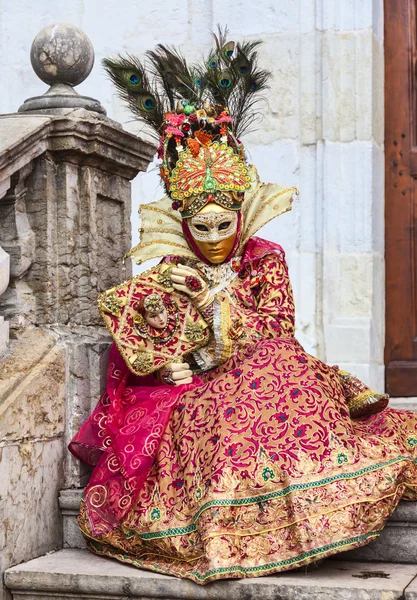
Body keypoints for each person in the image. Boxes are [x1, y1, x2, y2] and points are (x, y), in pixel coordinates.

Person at [69, 31, 417, 584]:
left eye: (222, 225)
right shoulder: (169, 267)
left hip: (266, 368)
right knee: (213, 424)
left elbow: (277, 329)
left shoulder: (264, 260)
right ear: (182, 224)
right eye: (198, 227)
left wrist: (217, 301)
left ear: (242, 215)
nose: (211, 238)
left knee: (281, 390)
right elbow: (145, 335)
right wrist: (169, 358)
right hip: (199, 391)